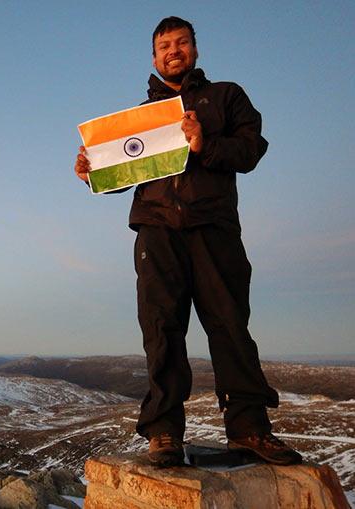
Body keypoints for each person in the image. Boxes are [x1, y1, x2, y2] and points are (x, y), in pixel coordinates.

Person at [74, 16, 302, 467]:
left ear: (195, 49)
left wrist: (205, 144)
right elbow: (123, 173)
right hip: (156, 230)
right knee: (161, 330)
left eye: (181, 42)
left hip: (213, 226)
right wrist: (91, 173)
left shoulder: (226, 97)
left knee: (230, 325)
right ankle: (163, 435)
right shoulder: (139, 118)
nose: (173, 50)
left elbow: (252, 149)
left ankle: (249, 429)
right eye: (164, 45)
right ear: (154, 57)